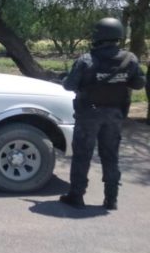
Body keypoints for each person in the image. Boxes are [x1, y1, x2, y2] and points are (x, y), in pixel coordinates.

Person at [60, 17, 146, 210]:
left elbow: (70, 85)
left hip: (88, 115)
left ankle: (76, 197)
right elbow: (139, 83)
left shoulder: (86, 59)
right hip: (114, 115)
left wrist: (63, 78)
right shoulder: (130, 59)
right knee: (110, 156)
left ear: (98, 36)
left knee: (82, 155)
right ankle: (111, 200)